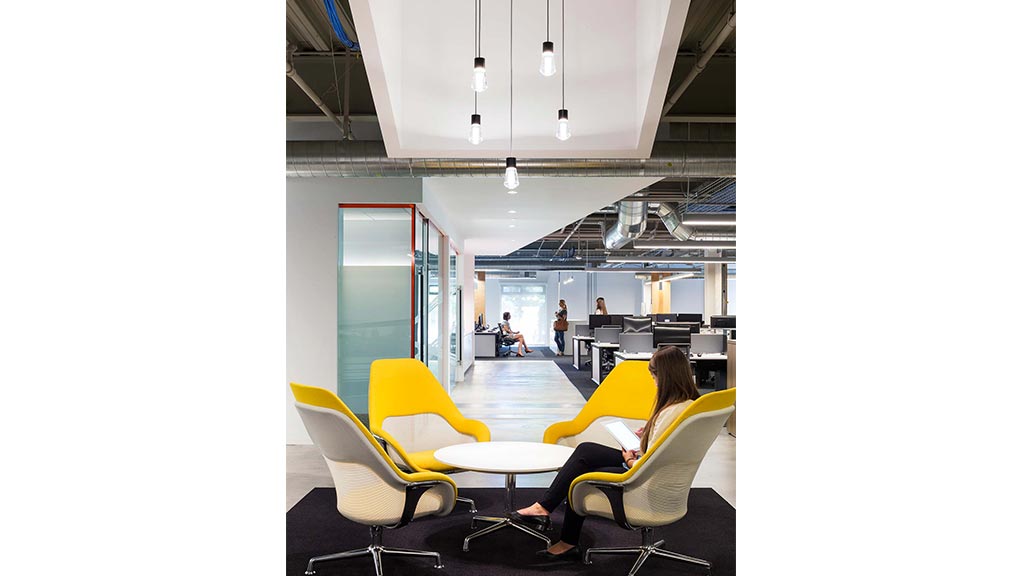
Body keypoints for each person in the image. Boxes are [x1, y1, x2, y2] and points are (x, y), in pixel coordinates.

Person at [511, 346, 699, 561]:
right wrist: (648, 433)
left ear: (665, 376)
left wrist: (629, 459)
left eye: (654, 376)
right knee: (586, 451)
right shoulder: (686, 405)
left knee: (580, 476)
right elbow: (663, 449)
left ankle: (561, 533)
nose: (654, 381)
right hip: (660, 472)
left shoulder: (670, 411)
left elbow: (647, 464)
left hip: (645, 476)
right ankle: (543, 509)